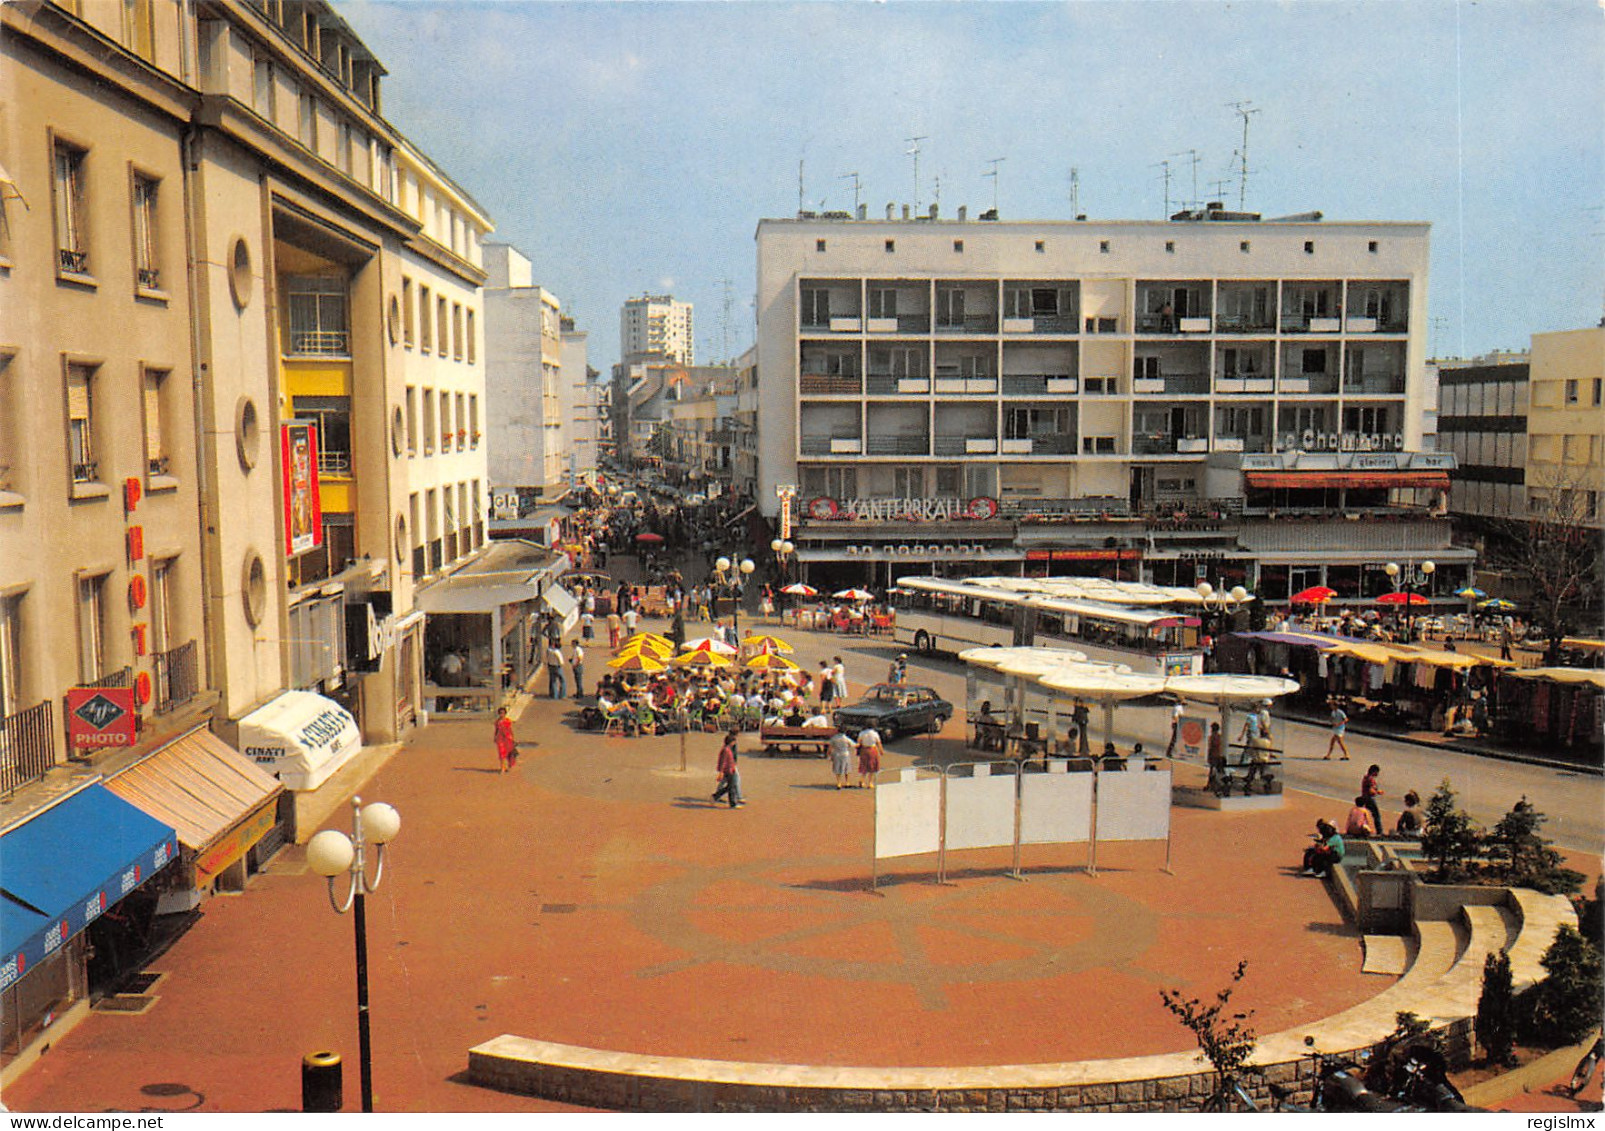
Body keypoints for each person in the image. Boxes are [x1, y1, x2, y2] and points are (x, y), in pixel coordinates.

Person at [711, 730, 744, 807]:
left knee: (730, 786)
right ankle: (733, 802)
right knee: (731, 786)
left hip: (730, 769)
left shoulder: (727, 749)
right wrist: (721, 772)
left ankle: (716, 796)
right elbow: (723, 762)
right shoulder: (726, 750)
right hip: (728, 770)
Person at [855, 724, 883, 789]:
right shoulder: (875, 734)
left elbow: (859, 742)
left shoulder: (862, 733)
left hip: (864, 750)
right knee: (872, 767)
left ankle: (862, 780)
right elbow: (878, 743)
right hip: (872, 749)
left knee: (863, 765)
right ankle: (870, 783)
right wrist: (881, 751)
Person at [1360, 763, 1385, 833]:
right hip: (1369, 799)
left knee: (1364, 815)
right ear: (1374, 771)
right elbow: (1371, 791)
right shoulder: (1371, 780)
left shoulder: (1365, 777)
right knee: (1376, 816)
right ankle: (1379, 831)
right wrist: (1377, 792)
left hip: (1364, 798)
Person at [493, 706, 518, 773]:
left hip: (507, 739)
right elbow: (496, 730)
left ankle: (508, 765)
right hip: (500, 739)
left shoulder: (507, 721)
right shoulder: (497, 722)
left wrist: (512, 738)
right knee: (501, 753)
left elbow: (510, 730)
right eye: (500, 713)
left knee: (508, 753)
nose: (502, 715)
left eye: (503, 713)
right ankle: (502, 768)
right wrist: (495, 737)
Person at [1206, 721, 1226, 792]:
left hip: (1213, 756)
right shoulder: (1220, 737)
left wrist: (1208, 756)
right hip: (1219, 756)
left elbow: (1210, 747)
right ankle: (1214, 785)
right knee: (1218, 771)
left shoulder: (1212, 737)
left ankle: (1210, 785)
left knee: (1212, 771)